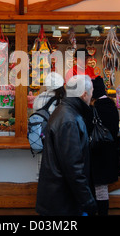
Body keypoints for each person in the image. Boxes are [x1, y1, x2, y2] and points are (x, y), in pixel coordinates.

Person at [36, 75, 97, 216]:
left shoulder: (66, 112)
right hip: (63, 203)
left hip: (60, 199)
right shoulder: (69, 120)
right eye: (92, 92)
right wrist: (88, 201)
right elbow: (73, 167)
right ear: (84, 94)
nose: (92, 97)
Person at [90, 76, 120, 216]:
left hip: (97, 153)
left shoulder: (94, 109)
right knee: (103, 190)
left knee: (97, 188)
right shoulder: (112, 106)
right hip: (110, 153)